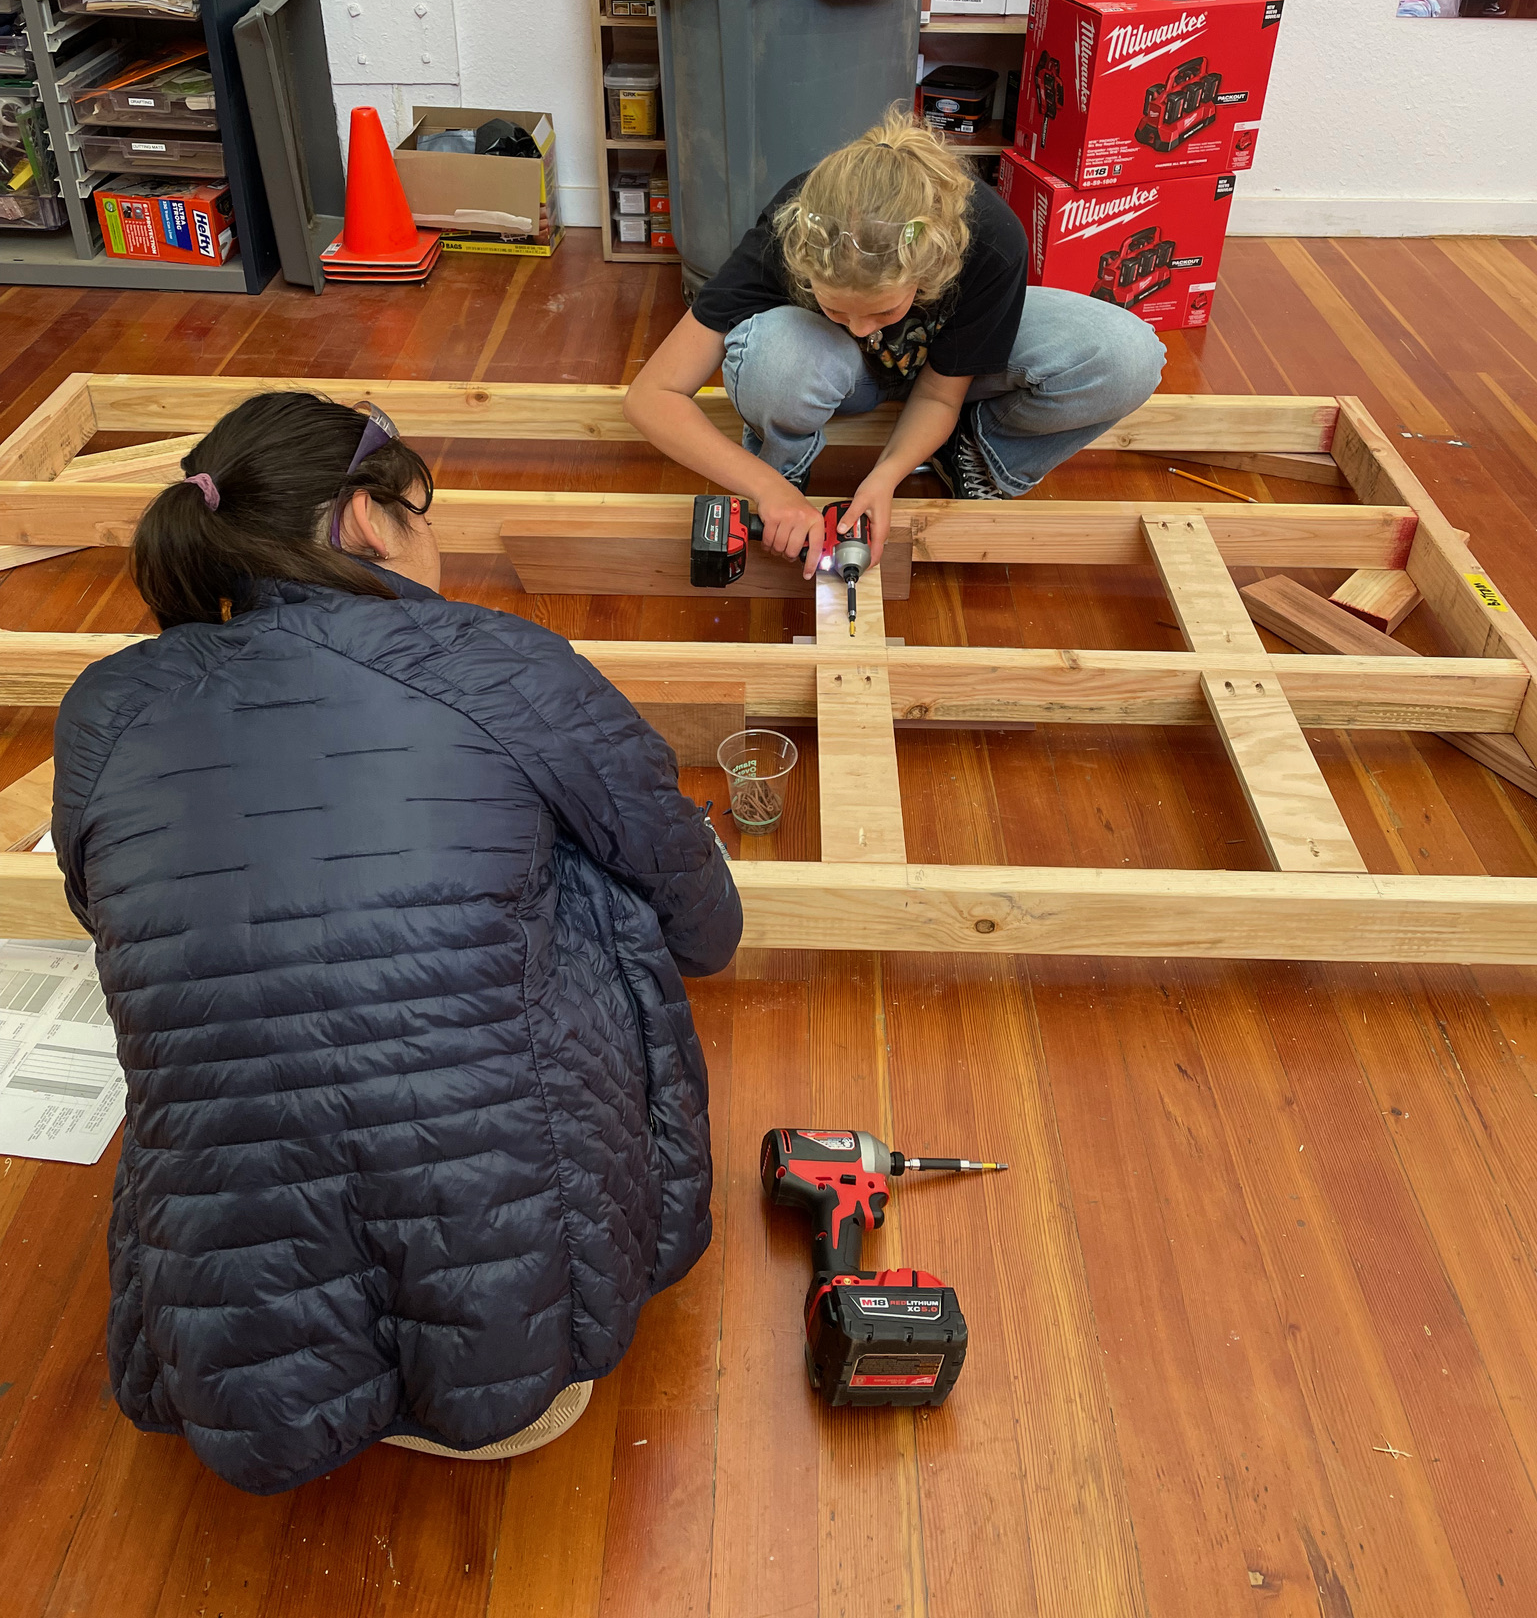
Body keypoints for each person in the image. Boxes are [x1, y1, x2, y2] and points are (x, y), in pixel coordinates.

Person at [50, 391, 740, 1496]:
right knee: (592, 878)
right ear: (369, 519)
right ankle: (494, 1321)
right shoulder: (497, 660)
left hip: (231, 1309)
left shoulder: (105, 701)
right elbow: (697, 913)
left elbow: (102, 911)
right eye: (428, 513)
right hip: (512, 1301)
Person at [624, 104, 1166, 573]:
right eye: (835, 307)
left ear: (933, 269)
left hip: (943, 371)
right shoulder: (795, 226)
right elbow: (653, 397)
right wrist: (769, 491)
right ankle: (784, 467)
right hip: (839, 375)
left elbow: (937, 393)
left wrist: (886, 476)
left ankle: (973, 454)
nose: (861, 328)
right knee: (782, 358)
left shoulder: (993, 239)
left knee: (1128, 356)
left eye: (882, 309)